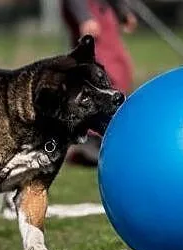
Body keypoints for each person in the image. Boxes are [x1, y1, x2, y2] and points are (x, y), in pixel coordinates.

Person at [62, 0, 138, 166]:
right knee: (104, 72)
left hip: (102, 9)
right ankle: (93, 138)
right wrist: (83, 15)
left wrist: (122, 10)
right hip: (89, 10)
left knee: (121, 68)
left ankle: (112, 134)